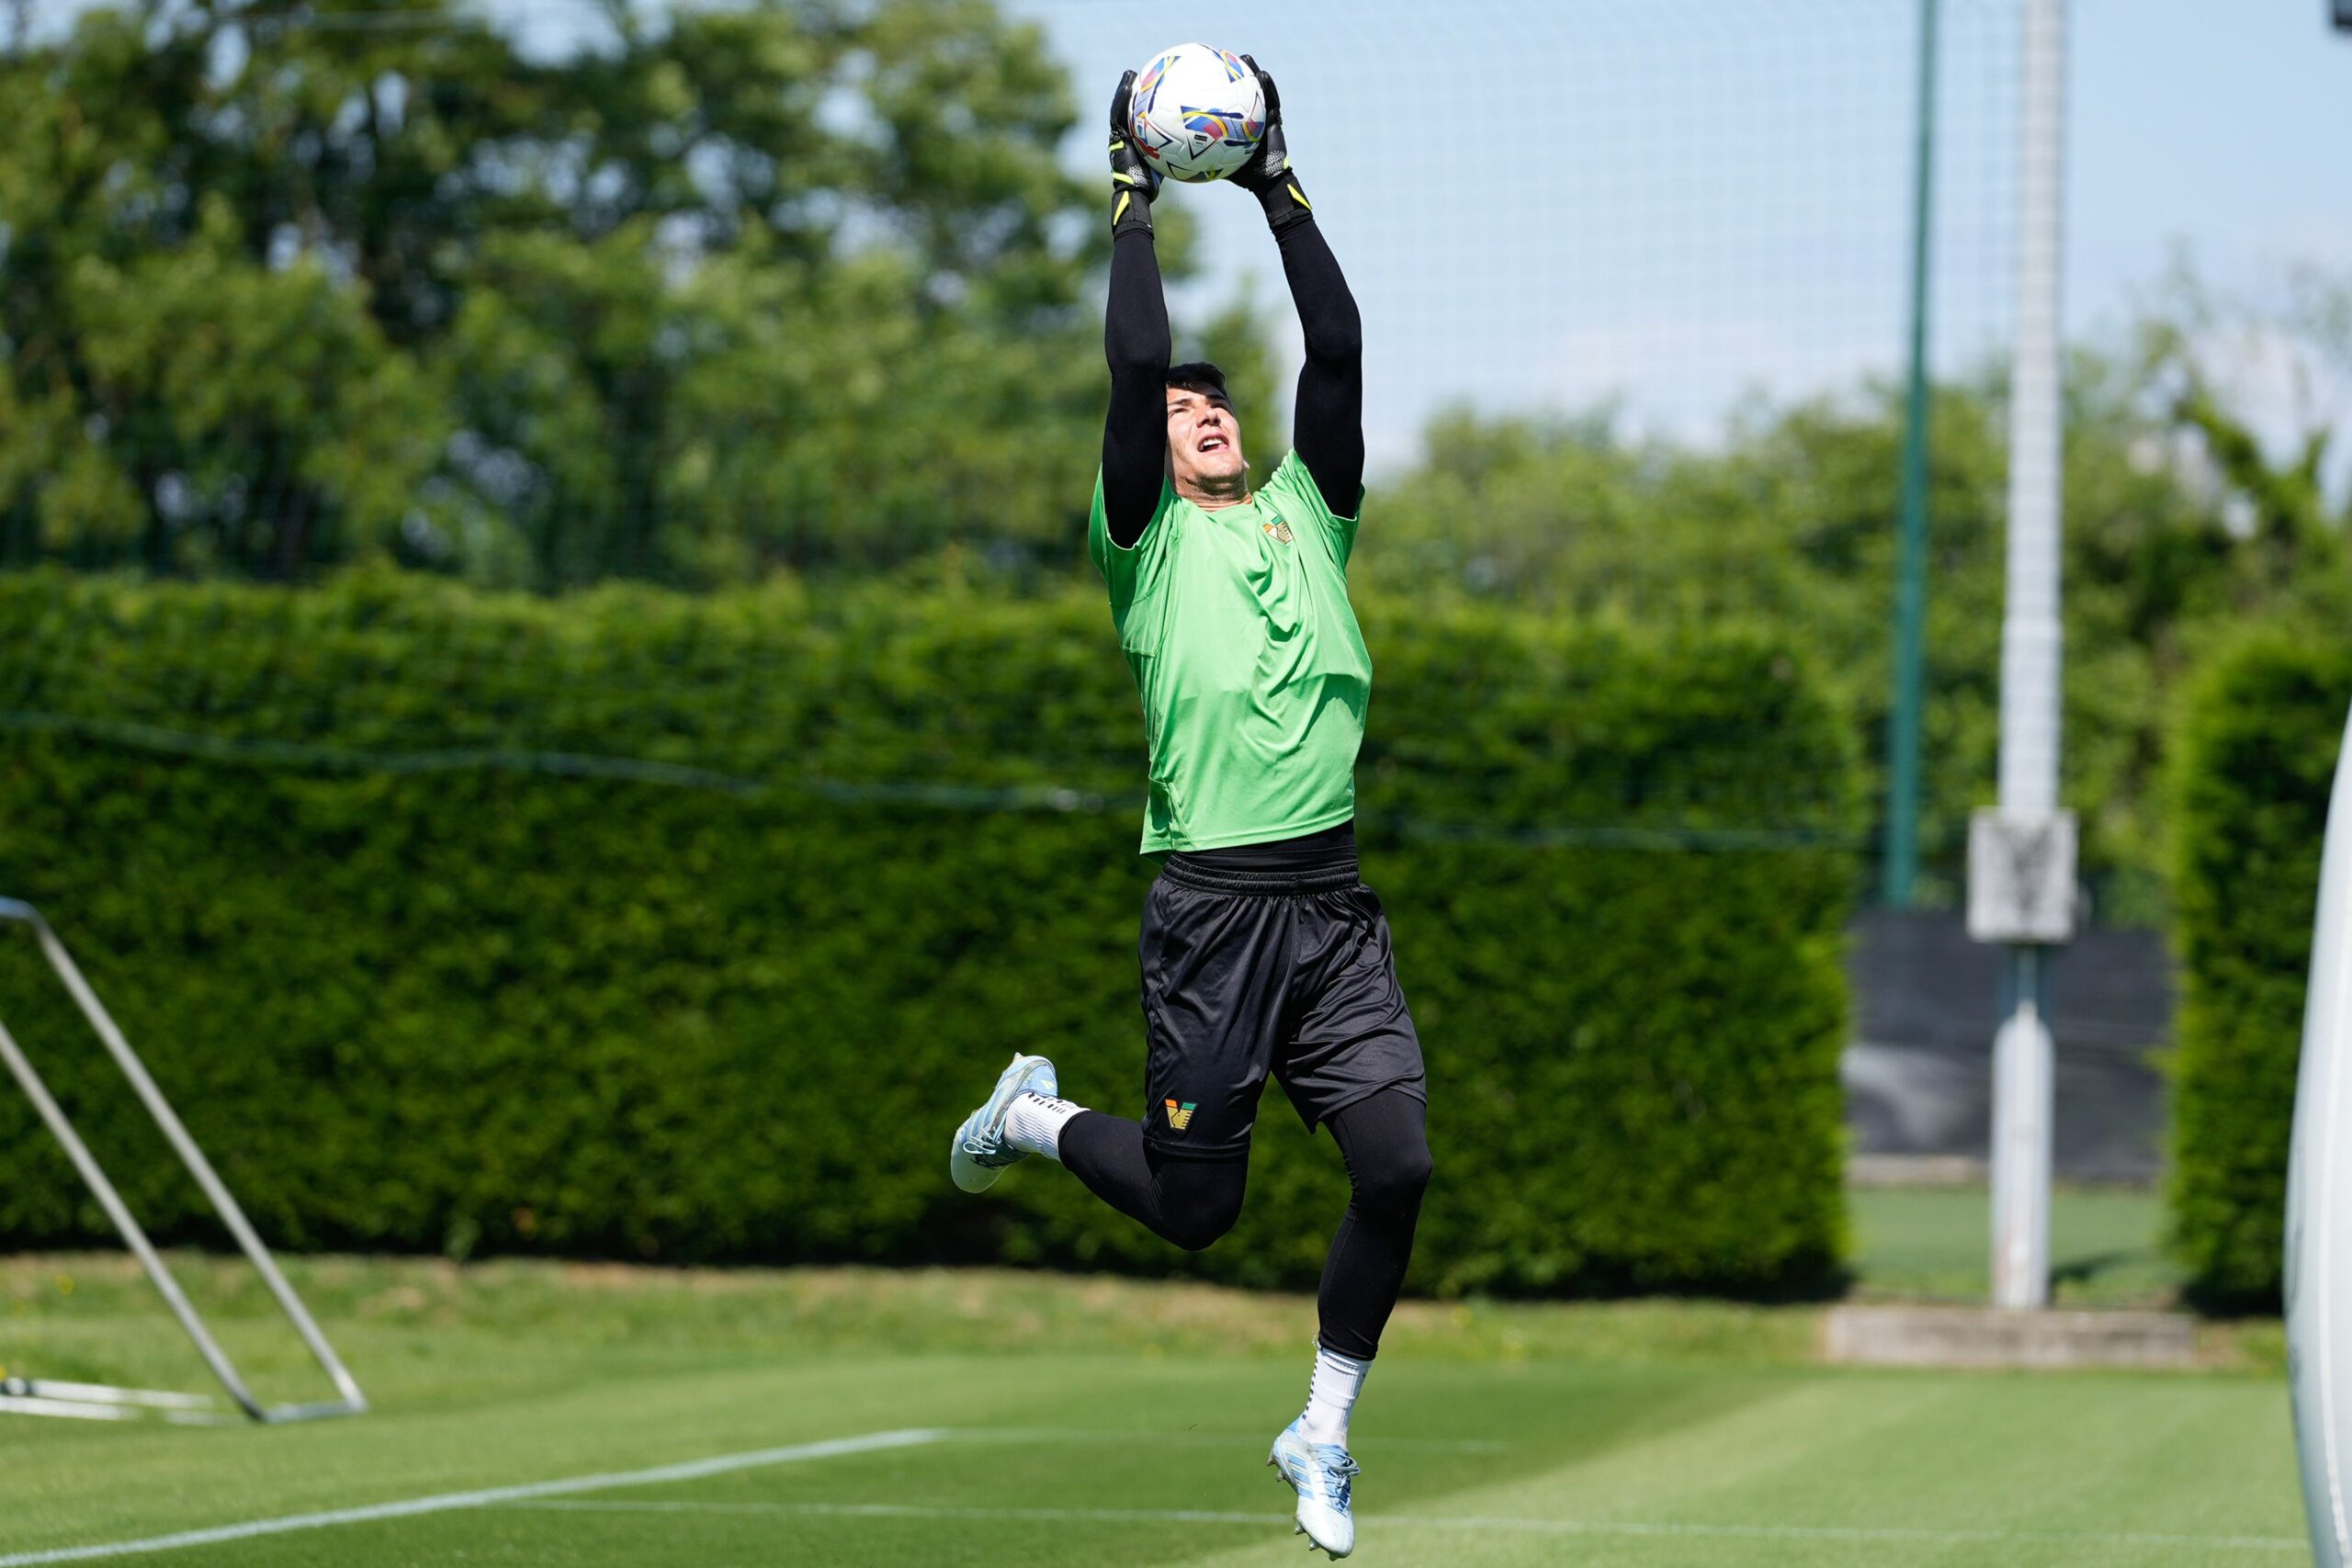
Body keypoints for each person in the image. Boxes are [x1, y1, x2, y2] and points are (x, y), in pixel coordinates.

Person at [949, 60, 1429, 1560]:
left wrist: (1280, 184)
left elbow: (1337, 345)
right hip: (1213, 913)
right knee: (1194, 1213)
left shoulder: (1308, 516)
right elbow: (1130, 361)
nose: (1201, 409)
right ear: (1147, 452)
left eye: (1213, 400)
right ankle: (1035, 1115)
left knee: (1398, 1167)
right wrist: (1136, 206)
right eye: (1179, 406)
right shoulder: (1140, 544)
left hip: (1333, 907)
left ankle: (1324, 1428)